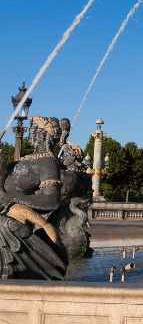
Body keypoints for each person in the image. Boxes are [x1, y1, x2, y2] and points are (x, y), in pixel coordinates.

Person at [0, 115, 67, 279]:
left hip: (17, 220)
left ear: (42, 134)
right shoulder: (21, 161)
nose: (29, 134)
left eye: (32, 130)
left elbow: (52, 200)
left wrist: (12, 199)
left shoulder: (47, 162)